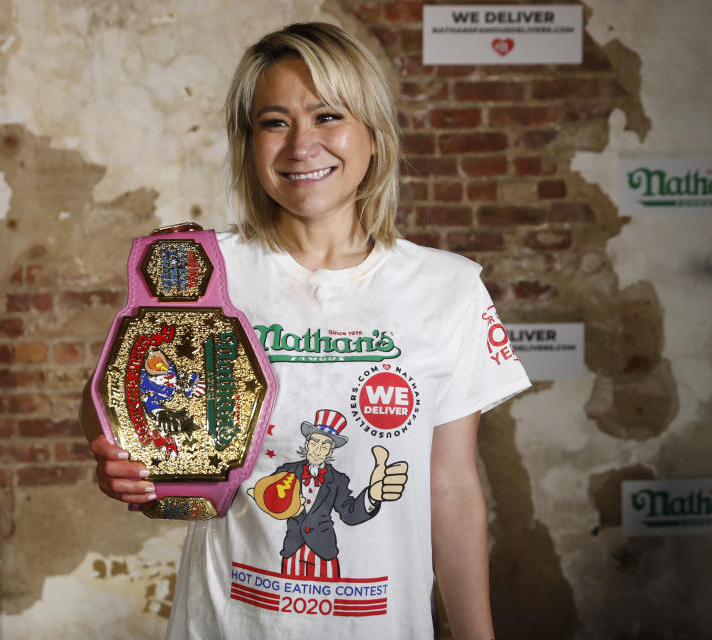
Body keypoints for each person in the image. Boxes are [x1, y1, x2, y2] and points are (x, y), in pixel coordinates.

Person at [83, 22, 530, 639]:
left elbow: (450, 484)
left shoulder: (447, 289)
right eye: (274, 121)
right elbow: (111, 394)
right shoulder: (206, 269)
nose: (301, 145)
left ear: (373, 135)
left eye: (327, 116)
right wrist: (118, 455)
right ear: (250, 144)